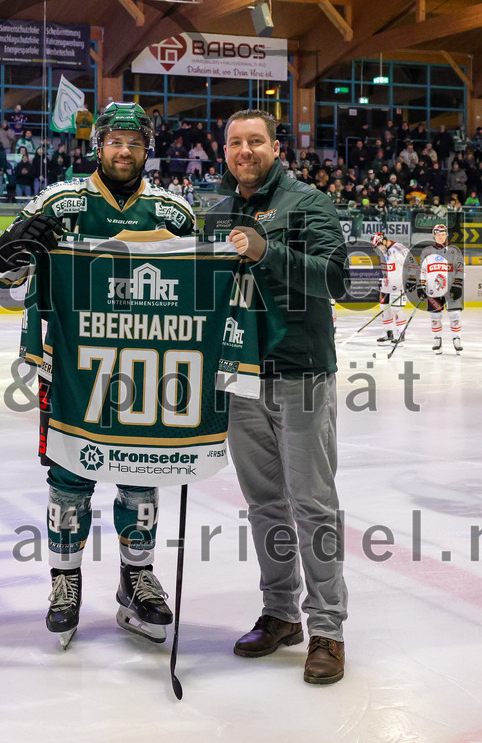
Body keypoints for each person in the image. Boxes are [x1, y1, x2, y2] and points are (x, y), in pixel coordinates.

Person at [0, 102, 196, 648]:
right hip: (67, 366)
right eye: (114, 141)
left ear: (147, 149)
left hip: (145, 366)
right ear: (97, 146)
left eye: (134, 142)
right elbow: (5, 272)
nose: (123, 151)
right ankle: (65, 580)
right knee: (69, 475)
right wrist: (13, 248)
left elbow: (203, 286)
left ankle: (137, 576)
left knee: (140, 468)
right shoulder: (60, 202)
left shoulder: (173, 213)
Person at [205, 109, 349, 685]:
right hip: (240, 376)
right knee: (265, 503)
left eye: (255, 141)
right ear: (225, 151)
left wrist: (268, 252)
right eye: (235, 142)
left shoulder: (307, 203)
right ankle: (281, 613)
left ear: (274, 146)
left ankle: (328, 630)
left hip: (301, 374)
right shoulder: (217, 212)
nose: (245, 151)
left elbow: (337, 277)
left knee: (312, 503)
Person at [416, 224, 465, 353]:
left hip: (451, 288)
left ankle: (456, 339)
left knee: (455, 315)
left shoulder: (455, 250)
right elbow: (422, 270)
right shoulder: (426, 251)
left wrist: (457, 284)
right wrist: (420, 286)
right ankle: (437, 339)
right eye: (438, 234)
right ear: (434, 236)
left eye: (443, 234)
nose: (441, 237)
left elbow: (460, 268)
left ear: (446, 235)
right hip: (433, 289)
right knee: (435, 316)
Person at [372, 232, 413, 346]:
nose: (379, 248)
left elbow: (411, 263)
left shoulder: (399, 248)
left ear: (384, 241)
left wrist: (412, 279)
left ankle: (400, 334)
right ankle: (388, 332)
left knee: (396, 309)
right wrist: (383, 280)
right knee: (384, 307)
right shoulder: (384, 251)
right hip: (387, 285)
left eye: (379, 245)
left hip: (399, 284)